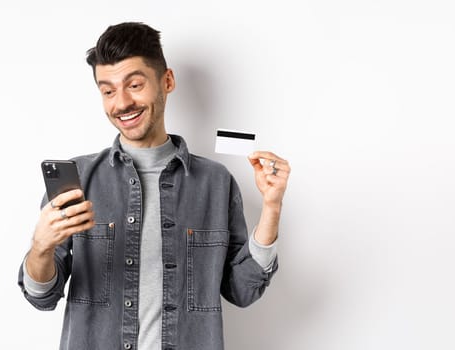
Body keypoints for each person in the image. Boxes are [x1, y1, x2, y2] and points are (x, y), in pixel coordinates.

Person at [17, 21, 290, 350]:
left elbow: (242, 291)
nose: (121, 103)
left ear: (167, 81)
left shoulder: (216, 183)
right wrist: (41, 246)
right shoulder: (78, 180)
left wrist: (272, 208)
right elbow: (41, 297)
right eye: (107, 90)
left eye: (134, 84)